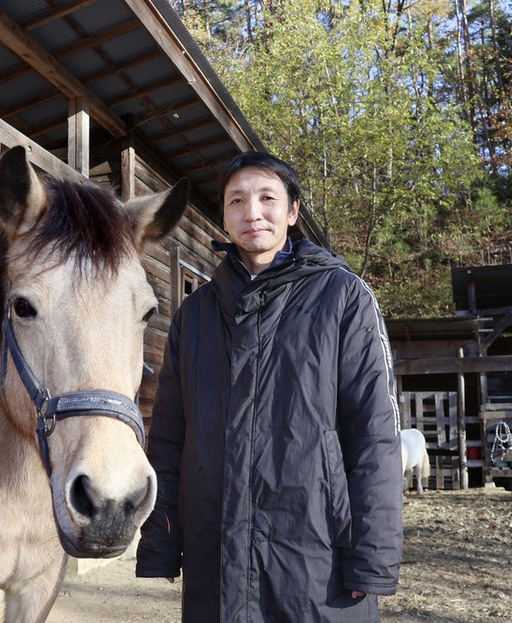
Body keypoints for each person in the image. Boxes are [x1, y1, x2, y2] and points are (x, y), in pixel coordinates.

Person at [135, 151, 403, 622]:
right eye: (236, 200)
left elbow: (375, 434)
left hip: (318, 556)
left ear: (292, 211)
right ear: (223, 215)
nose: (252, 212)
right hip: (214, 554)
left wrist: (371, 556)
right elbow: (170, 435)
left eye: (267, 198)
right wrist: (163, 538)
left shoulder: (344, 298)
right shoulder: (193, 316)